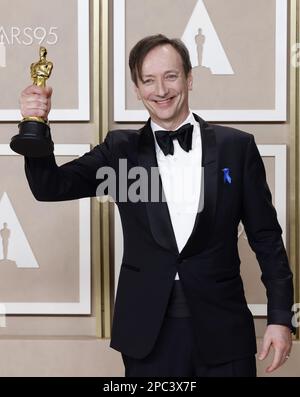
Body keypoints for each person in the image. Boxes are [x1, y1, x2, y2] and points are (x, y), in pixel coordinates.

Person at [19, 34, 294, 377]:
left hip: (224, 331)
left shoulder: (235, 147)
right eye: (148, 80)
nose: (160, 90)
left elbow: (266, 238)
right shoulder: (120, 151)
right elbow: (49, 187)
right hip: (147, 335)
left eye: (171, 76)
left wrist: (281, 318)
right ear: (136, 88)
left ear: (189, 78)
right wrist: (37, 126)